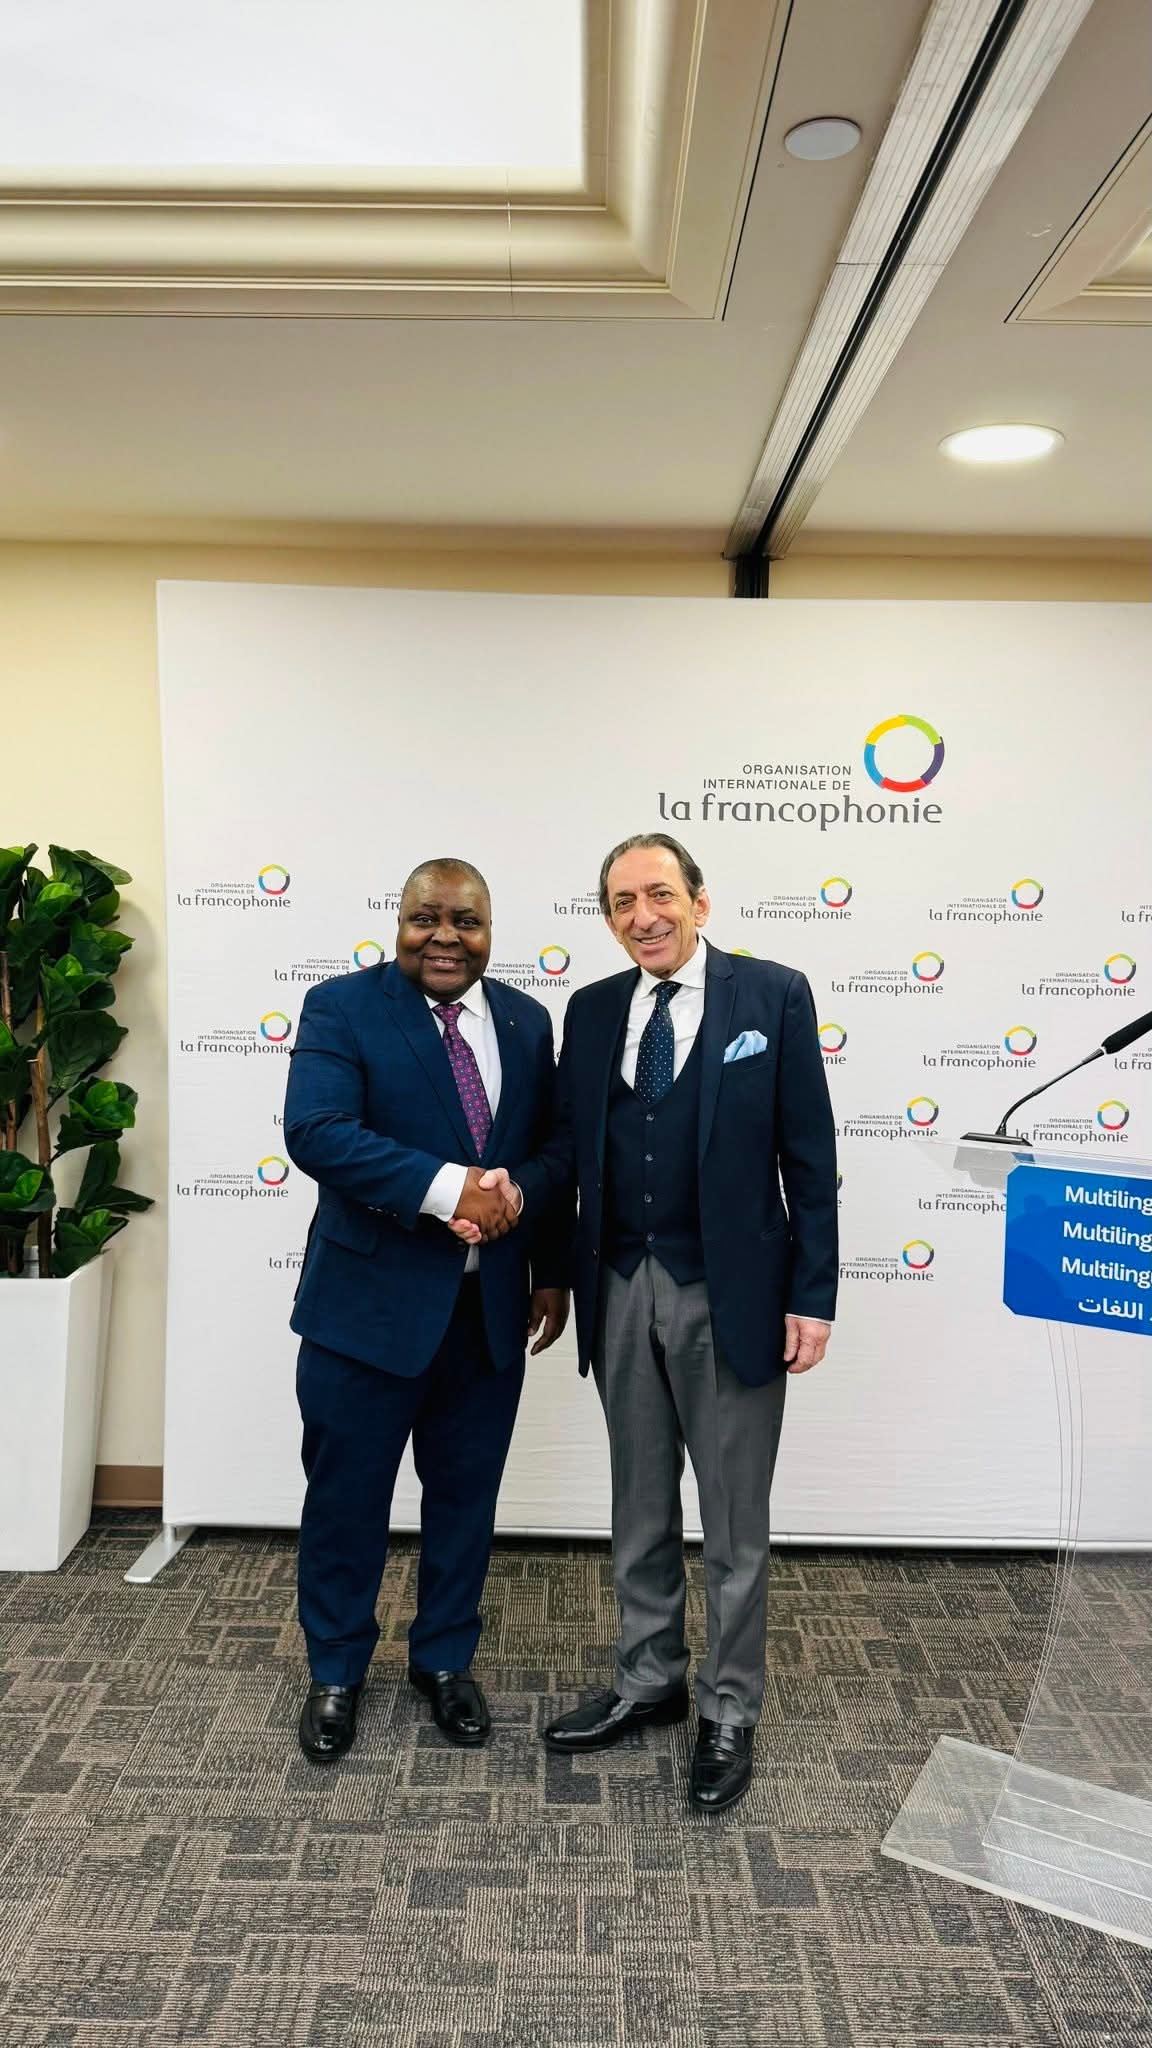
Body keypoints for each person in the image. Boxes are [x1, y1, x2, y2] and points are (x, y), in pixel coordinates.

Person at [488, 832, 836, 1812]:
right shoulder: (594, 1009)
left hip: (731, 1292)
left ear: (699, 901)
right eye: (621, 902)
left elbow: (809, 1156)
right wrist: (551, 1269)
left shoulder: (773, 996)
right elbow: (571, 1149)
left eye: (659, 894)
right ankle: (649, 1677)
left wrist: (813, 1294)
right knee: (639, 1504)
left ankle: (730, 1703)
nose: (642, 916)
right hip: (618, 1283)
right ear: (607, 919)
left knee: (732, 1518)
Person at [284, 856, 570, 1763]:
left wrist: (542, 1255)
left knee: (465, 1500)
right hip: (364, 1315)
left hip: (488, 1313)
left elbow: (553, 1149)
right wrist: (451, 1189)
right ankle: (337, 1670)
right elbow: (318, 1132)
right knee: (346, 1501)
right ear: (399, 921)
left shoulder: (525, 1021)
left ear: (490, 930)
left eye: (467, 922)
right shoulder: (341, 1008)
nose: (445, 937)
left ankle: (444, 1659)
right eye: (426, 918)